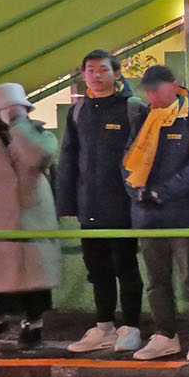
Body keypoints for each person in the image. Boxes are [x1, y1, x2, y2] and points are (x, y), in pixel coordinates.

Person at [123, 64, 189, 362]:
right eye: (147, 89)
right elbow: (127, 161)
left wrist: (163, 191)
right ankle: (165, 334)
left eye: (157, 87)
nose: (151, 94)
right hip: (147, 215)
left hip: (183, 214)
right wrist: (135, 191)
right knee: (155, 278)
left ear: (174, 86)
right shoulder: (142, 119)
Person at [55, 50, 146, 354]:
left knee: (126, 266)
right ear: (83, 75)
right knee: (97, 269)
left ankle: (131, 326)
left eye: (103, 69)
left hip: (123, 205)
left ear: (117, 74)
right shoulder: (78, 110)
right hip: (88, 206)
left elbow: (144, 156)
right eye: (90, 70)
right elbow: (68, 157)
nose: (96, 75)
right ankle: (104, 326)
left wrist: (140, 200)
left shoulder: (132, 109)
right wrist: (67, 203)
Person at [0, 84, 62, 348]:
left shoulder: (40, 135)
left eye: (17, 108)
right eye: (6, 109)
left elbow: (37, 157)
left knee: (35, 275)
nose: (11, 113)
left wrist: (19, 126)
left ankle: (34, 324)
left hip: (34, 215)